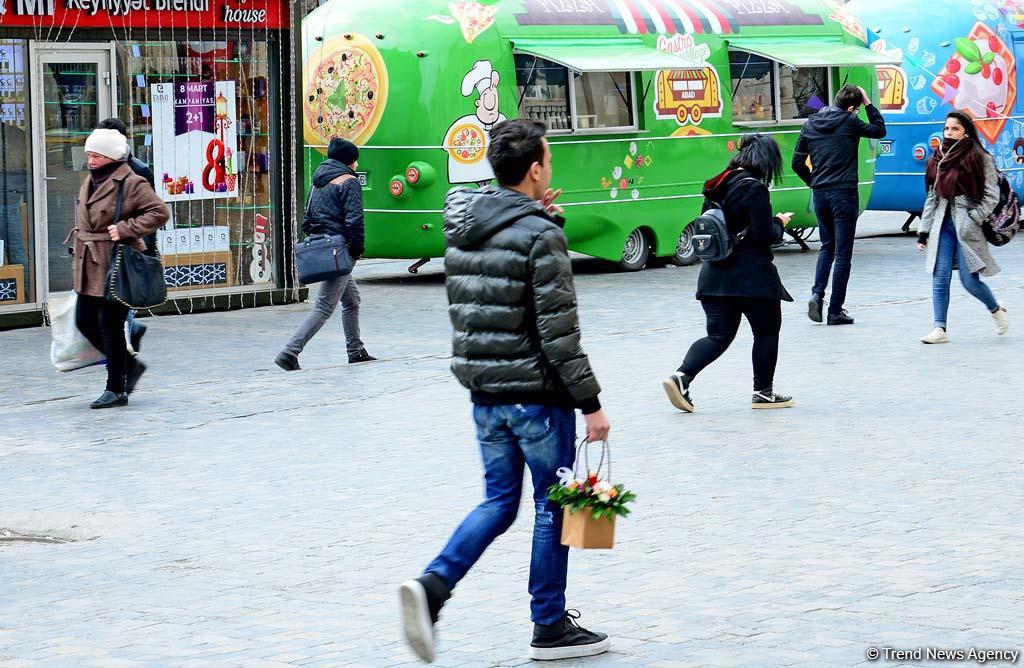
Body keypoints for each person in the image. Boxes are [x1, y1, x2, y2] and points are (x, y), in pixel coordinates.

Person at [399, 120, 612, 663]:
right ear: (535, 169)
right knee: (553, 506)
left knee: (498, 501)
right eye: (548, 160)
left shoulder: (466, 223)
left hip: (485, 393)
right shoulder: (541, 235)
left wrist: (542, 222)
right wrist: (591, 403)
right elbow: (558, 333)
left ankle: (433, 585)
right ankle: (549, 625)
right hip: (537, 396)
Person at [663, 134, 795, 411]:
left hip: (713, 276)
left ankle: (681, 376)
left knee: (718, 336)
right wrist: (779, 223)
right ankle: (763, 392)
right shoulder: (754, 188)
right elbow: (762, 235)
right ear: (766, 161)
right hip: (752, 278)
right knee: (767, 332)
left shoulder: (715, 185)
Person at [72, 128, 168, 408]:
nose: (90, 160)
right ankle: (129, 366)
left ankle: (116, 388)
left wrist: (126, 228)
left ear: (111, 156)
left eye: (96, 155)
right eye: (89, 154)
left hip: (117, 263)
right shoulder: (93, 178)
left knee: (110, 326)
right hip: (89, 261)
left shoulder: (131, 182)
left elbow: (159, 212)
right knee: (84, 321)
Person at [275, 138, 374, 370]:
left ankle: (355, 350)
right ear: (349, 160)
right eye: (355, 159)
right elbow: (355, 220)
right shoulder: (348, 181)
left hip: (328, 246)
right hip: (340, 250)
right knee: (324, 306)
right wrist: (357, 249)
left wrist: (321, 236)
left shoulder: (319, 179)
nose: (357, 164)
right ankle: (290, 352)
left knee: (352, 300)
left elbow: (307, 219)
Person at [792, 84, 887, 326]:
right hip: (844, 193)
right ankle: (835, 311)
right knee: (843, 254)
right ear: (853, 107)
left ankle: (817, 293)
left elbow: (797, 163)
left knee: (827, 247)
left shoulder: (810, 123)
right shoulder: (850, 121)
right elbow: (879, 131)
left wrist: (813, 182)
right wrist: (869, 104)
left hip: (820, 195)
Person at [916, 111, 1008, 343]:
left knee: (969, 281)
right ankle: (940, 329)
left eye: (955, 129)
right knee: (940, 275)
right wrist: (923, 231)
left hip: (968, 226)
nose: (949, 133)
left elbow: (991, 195)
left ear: (965, 131)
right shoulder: (938, 157)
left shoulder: (979, 156)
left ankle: (996, 309)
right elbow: (932, 197)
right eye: (947, 128)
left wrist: (975, 217)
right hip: (942, 223)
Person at [97, 117, 156, 355]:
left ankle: (123, 348)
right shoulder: (97, 166)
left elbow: (152, 212)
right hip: (103, 242)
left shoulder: (139, 170)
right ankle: (132, 329)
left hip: (130, 243)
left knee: (120, 291)